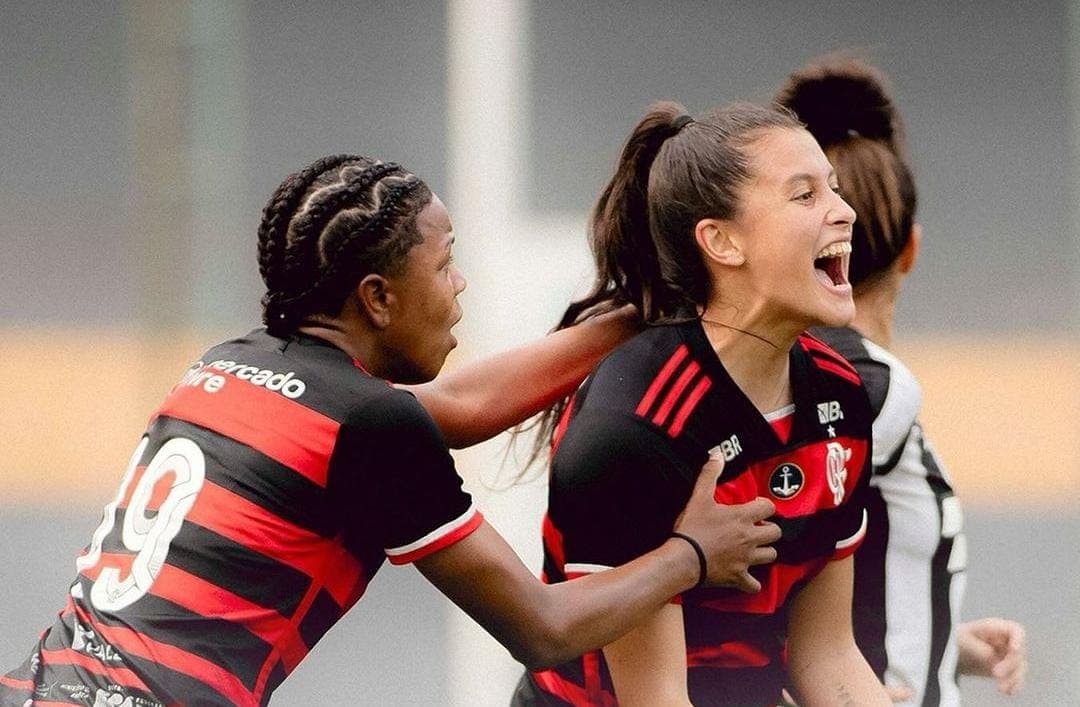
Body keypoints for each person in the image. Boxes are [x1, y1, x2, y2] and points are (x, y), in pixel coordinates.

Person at [0, 155, 783, 707]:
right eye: (445, 265)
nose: (459, 285)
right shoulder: (370, 424)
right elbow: (545, 631)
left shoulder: (233, 365)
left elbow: (459, 407)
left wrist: (636, 312)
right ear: (378, 298)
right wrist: (692, 556)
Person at [512, 102, 892, 705]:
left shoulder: (843, 397)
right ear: (721, 241)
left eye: (835, 190)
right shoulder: (634, 430)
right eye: (804, 195)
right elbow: (657, 699)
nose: (844, 212)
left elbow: (828, 656)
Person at [774, 55, 1027, 705]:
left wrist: (941, 636)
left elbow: (834, 563)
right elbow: (758, 563)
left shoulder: (843, 378)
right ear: (911, 248)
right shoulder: (870, 385)